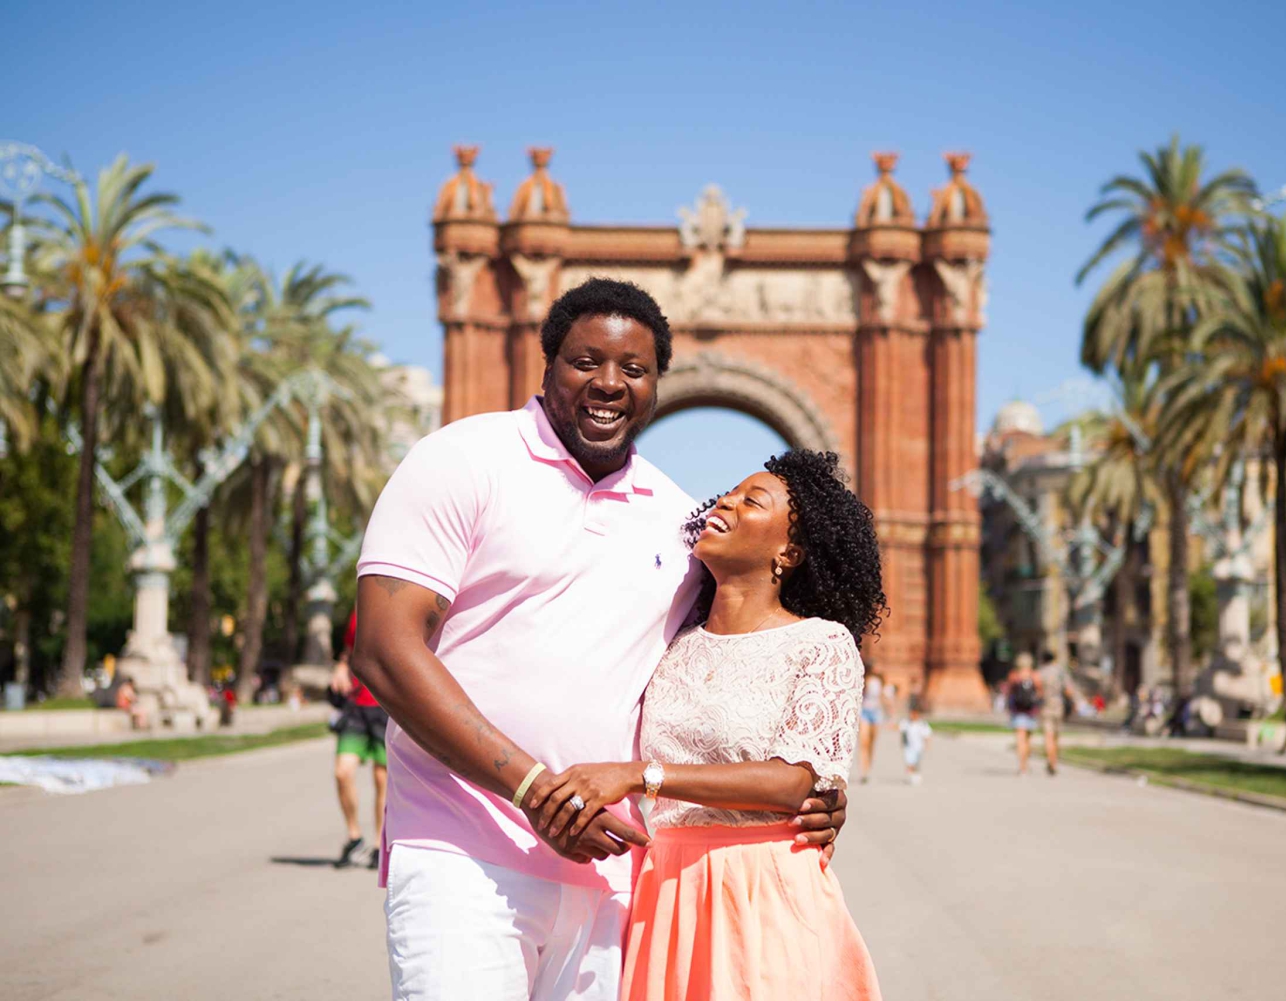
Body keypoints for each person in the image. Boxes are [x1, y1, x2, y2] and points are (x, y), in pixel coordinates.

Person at [350, 279, 845, 1001]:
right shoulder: (462, 459)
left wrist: (812, 790)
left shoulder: (681, 523)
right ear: (548, 363)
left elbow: (739, 664)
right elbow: (383, 651)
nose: (609, 383)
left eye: (634, 369)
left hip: (612, 874)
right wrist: (533, 789)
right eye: (586, 361)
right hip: (461, 850)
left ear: (656, 384)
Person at [525, 450, 884, 1001]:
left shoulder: (821, 643)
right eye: (728, 493)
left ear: (789, 552)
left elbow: (795, 781)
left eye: (751, 500)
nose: (725, 503)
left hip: (762, 890)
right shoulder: (668, 645)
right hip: (666, 890)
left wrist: (639, 775)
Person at [329, 609, 387, 870]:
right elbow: (349, 649)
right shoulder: (359, 606)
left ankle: (379, 845)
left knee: (381, 779)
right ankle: (355, 839)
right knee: (342, 772)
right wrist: (342, 666)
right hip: (356, 704)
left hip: (386, 706)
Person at [1036, 650, 1077, 777]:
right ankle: (1054, 762)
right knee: (1056, 736)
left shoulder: (1040, 672)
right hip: (1059, 705)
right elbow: (1069, 691)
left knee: (1048, 735)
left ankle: (1050, 761)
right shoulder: (1061, 672)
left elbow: (1037, 691)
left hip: (1045, 706)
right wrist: (1072, 703)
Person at [1008, 653, 1040, 775]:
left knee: (1020, 739)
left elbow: (1010, 692)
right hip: (1031, 711)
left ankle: (1022, 766)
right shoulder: (1034, 675)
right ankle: (1026, 764)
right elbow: (1039, 692)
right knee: (1028, 739)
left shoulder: (1014, 675)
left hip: (1018, 711)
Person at [857, 669, 889, 782]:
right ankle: (864, 770)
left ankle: (868, 766)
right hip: (864, 712)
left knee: (871, 742)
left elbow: (883, 697)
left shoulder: (880, 681)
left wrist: (889, 712)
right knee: (864, 742)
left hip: (876, 713)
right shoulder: (864, 679)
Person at [899, 696, 933, 785]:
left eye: (915, 714)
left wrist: (927, 744)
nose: (913, 716)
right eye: (911, 713)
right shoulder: (906, 722)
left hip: (918, 747)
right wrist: (902, 742)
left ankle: (915, 775)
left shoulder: (922, 724)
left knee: (916, 762)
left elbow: (927, 735)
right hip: (908, 747)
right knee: (909, 762)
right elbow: (902, 732)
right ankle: (912, 776)